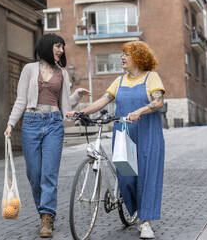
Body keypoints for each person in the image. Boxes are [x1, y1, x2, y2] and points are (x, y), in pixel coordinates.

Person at [67, 41, 165, 239]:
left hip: (148, 134)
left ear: (138, 57)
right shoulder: (119, 81)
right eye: (122, 54)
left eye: (126, 54)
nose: (122, 57)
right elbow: (103, 100)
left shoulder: (151, 77)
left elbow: (158, 101)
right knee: (126, 178)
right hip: (124, 135)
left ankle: (145, 222)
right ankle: (136, 211)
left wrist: (141, 110)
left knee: (146, 177)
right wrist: (80, 112)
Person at [4, 33, 90, 238]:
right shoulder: (29, 69)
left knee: (49, 174)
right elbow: (21, 100)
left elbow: (65, 107)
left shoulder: (62, 73)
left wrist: (76, 96)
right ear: (47, 47)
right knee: (34, 176)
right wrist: (10, 123)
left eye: (63, 47)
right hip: (31, 123)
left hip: (53, 124)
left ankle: (47, 217)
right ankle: (44, 211)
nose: (61, 50)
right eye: (58, 46)